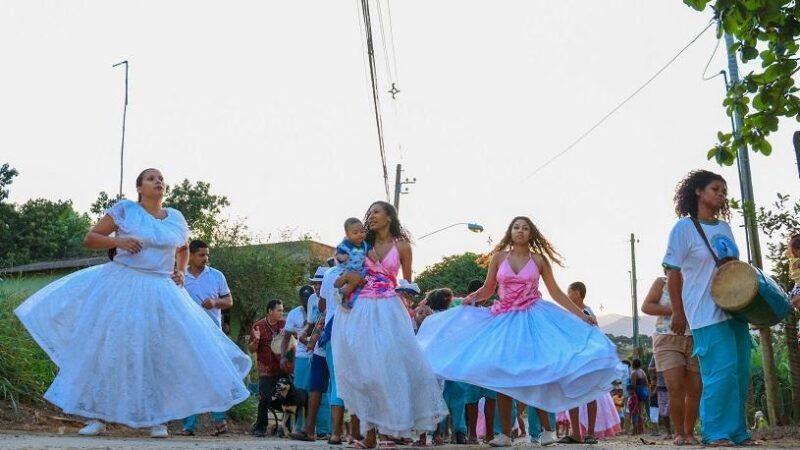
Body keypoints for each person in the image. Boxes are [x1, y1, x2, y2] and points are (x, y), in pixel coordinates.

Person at [14, 168, 251, 438]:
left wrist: (180, 271)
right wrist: (120, 241)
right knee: (110, 349)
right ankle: (96, 416)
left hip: (162, 289)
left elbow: (183, 248)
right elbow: (91, 238)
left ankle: (157, 420)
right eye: (151, 178)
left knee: (158, 351)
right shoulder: (126, 210)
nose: (158, 181)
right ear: (139, 188)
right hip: (123, 285)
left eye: (161, 178)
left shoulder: (175, 217)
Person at [417, 216, 620, 447]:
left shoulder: (539, 260)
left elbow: (555, 292)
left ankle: (546, 430)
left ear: (531, 233)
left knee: (536, 371)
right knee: (503, 374)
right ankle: (504, 434)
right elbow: (488, 289)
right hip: (504, 320)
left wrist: (581, 315)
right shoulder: (499, 257)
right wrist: (471, 299)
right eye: (516, 227)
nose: (520, 231)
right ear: (510, 232)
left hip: (533, 319)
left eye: (525, 228)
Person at [332, 201, 448, 448]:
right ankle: (369, 435)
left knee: (389, 368)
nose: (371, 216)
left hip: (390, 309)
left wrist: (409, 295)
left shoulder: (403, 247)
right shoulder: (362, 245)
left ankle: (389, 432)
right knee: (365, 371)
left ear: (389, 217)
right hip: (361, 307)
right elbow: (346, 265)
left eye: (376, 212)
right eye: (369, 213)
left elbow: (407, 281)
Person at [662, 169, 751, 446]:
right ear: (698, 192)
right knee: (719, 373)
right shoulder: (683, 229)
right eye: (716, 189)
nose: (722, 195)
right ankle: (715, 432)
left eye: (724, 191)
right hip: (704, 311)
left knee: (739, 373)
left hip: (735, 309)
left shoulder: (724, 228)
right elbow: (673, 272)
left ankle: (737, 431)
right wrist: (678, 312)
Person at [179, 239, 236, 436]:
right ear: (191, 256)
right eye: (201, 255)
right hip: (187, 336)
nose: (205, 259)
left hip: (212, 336)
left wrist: (214, 301)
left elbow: (229, 301)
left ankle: (219, 421)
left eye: (207, 255)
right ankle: (188, 426)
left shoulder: (216, 276)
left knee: (217, 377)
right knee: (190, 379)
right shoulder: (180, 276)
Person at [291, 264, 346, 445]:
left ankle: (336, 432)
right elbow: (311, 322)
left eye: (319, 283)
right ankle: (309, 430)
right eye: (315, 283)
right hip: (320, 343)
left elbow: (325, 311)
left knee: (336, 386)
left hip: (332, 335)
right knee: (316, 387)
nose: (316, 286)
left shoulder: (335, 291)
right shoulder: (312, 299)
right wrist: (305, 334)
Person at [641, 272, 697, 445]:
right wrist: (677, 309)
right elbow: (647, 306)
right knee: (675, 387)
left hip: (696, 338)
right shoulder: (661, 282)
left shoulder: (697, 280)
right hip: (667, 338)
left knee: (695, 389)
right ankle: (679, 432)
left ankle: (690, 432)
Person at [558, 281, 600, 444]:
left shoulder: (586, 312)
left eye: (569, 292)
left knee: (590, 395)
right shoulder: (570, 313)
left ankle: (589, 433)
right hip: (572, 359)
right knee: (572, 395)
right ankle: (576, 433)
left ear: (576, 293)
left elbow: (594, 335)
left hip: (585, 359)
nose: (567, 295)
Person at [249, 299, 289, 437]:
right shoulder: (258, 326)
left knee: (289, 396)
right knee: (265, 397)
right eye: (279, 310)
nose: (281, 313)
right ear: (270, 311)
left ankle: (286, 428)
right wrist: (257, 340)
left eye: (282, 310)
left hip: (282, 369)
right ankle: (260, 427)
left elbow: (293, 347)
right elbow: (252, 349)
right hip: (266, 369)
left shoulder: (285, 325)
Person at [282, 285, 315, 433]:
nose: (306, 301)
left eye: (309, 299)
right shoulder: (294, 314)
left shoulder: (321, 310)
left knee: (320, 392)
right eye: (304, 299)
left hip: (319, 355)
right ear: (300, 299)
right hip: (302, 356)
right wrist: (283, 356)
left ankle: (323, 429)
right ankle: (300, 427)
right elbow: (286, 338)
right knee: (300, 394)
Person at [334, 218, 369, 307]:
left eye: (362, 232)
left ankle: (344, 297)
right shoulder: (346, 244)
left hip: (358, 270)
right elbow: (338, 254)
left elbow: (370, 251)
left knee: (355, 283)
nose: (360, 235)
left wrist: (374, 255)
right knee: (352, 280)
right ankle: (341, 291)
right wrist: (342, 257)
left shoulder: (364, 244)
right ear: (348, 235)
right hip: (346, 269)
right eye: (355, 233)